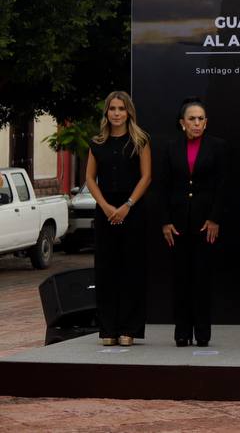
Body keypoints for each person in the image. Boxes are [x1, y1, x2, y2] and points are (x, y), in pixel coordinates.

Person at [155, 98, 230, 347]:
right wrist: (165, 221)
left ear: (206, 123)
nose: (196, 123)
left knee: (202, 279)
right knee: (181, 279)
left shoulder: (217, 147)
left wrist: (215, 218)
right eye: (192, 119)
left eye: (201, 119)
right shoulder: (170, 148)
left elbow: (222, 186)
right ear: (182, 123)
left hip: (205, 224)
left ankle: (203, 332)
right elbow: (163, 186)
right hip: (177, 224)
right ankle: (182, 331)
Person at [84, 91, 152, 346]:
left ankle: (129, 329)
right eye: (112, 108)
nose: (116, 113)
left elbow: (146, 177)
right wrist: (105, 206)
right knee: (106, 271)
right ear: (106, 113)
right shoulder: (97, 143)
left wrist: (127, 205)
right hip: (105, 212)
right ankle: (108, 330)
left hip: (133, 211)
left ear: (129, 112)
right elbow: (90, 178)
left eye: (121, 109)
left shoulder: (140, 140)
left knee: (132, 270)